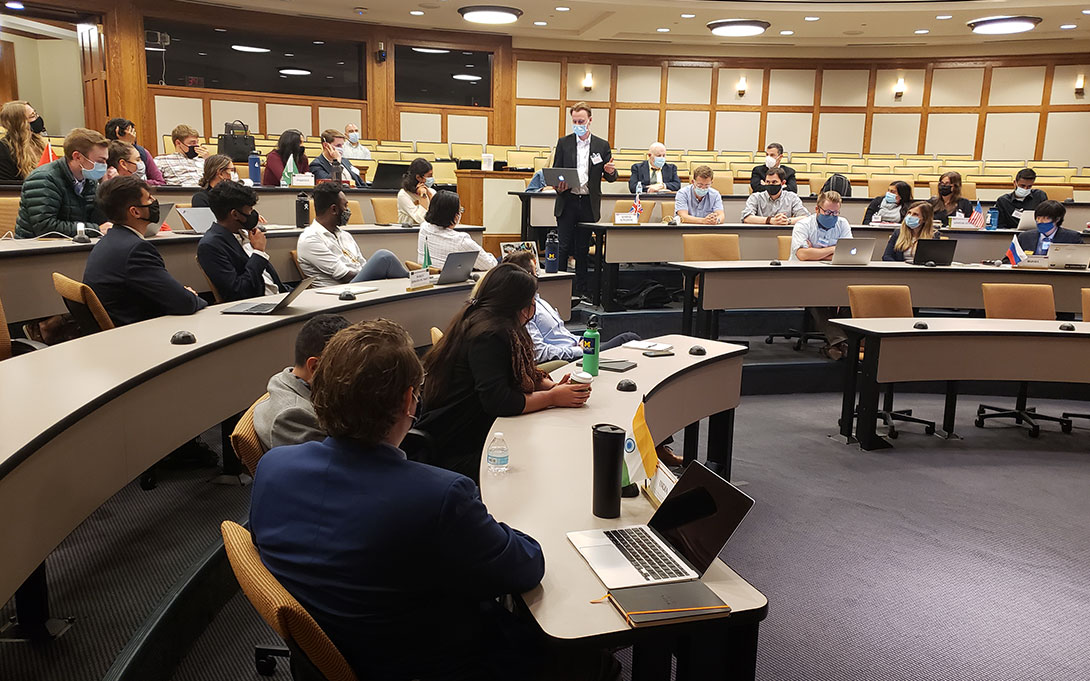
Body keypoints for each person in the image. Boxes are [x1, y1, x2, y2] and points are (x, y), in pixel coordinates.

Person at [250, 319, 545, 681]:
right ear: (409, 400)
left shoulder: (272, 468)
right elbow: (525, 567)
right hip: (433, 663)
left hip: (335, 654)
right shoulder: (438, 497)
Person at [417, 264, 592, 483]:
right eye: (530, 300)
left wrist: (553, 388)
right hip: (460, 444)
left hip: (475, 428)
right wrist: (552, 398)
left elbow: (520, 374)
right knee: (544, 465)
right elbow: (498, 401)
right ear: (516, 305)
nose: (534, 306)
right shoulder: (487, 335)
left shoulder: (492, 322)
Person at [81, 176, 207, 325]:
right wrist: (189, 296)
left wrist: (181, 295)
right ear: (135, 212)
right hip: (137, 331)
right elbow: (184, 303)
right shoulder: (136, 250)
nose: (155, 202)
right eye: (149, 199)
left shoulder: (108, 240)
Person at [503, 250, 638, 362]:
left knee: (629, 342)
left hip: (576, 348)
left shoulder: (539, 301)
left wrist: (579, 340)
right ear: (528, 277)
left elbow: (562, 334)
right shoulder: (524, 310)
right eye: (535, 273)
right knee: (628, 339)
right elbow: (539, 353)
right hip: (570, 360)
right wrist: (579, 350)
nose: (538, 277)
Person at [252, 313, 350, 451]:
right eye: (346, 366)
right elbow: (336, 467)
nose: (351, 375)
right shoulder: (292, 417)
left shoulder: (289, 380)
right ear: (315, 366)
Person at [551, 102, 618, 297]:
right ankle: (559, 288)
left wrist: (610, 171)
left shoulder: (601, 145)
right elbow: (556, 172)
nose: (578, 124)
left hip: (588, 202)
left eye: (581, 121)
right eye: (574, 121)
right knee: (563, 246)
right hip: (568, 200)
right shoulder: (564, 143)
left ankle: (580, 290)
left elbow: (611, 177)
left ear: (590, 121)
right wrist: (559, 185)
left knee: (582, 249)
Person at [297, 183, 409, 286]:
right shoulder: (310, 239)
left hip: (361, 287)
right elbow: (344, 276)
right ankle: (411, 281)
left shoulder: (345, 235)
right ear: (334, 209)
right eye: (345, 206)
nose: (348, 210)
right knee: (384, 257)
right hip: (339, 295)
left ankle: (412, 283)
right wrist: (379, 274)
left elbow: (362, 265)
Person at [197, 181, 286, 301]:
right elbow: (238, 292)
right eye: (250, 210)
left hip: (278, 297)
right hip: (255, 307)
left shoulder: (246, 234)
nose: (253, 214)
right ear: (235, 214)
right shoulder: (210, 246)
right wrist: (259, 252)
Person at [789, 190, 852, 358]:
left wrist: (815, 251)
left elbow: (847, 253)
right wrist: (833, 249)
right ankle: (840, 342)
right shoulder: (803, 225)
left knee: (853, 298)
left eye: (835, 212)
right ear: (817, 209)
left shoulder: (843, 224)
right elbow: (802, 255)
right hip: (803, 277)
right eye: (828, 212)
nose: (832, 216)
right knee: (816, 298)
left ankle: (838, 345)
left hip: (834, 277)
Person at [15, 128, 109, 239]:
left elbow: (100, 221)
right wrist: (94, 230)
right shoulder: (43, 179)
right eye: (100, 161)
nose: (104, 165)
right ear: (77, 157)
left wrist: (106, 189)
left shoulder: (90, 180)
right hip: (34, 249)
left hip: (73, 245)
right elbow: (45, 227)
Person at [417, 190, 497, 271]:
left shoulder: (424, 228)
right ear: (455, 216)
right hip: (452, 282)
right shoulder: (461, 240)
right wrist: (489, 255)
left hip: (427, 279)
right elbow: (490, 265)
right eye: (460, 210)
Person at [1005, 200, 1082, 261]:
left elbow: (1084, 260)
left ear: (1057, 219)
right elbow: (1009, 260)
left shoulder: (1072, 238)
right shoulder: (1024, 237)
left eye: (1045, 218)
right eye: (1038, 218)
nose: (1040, 222)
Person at [104, 117, 165, 185]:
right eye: (130, 133)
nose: (133, 136)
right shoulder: (104, 156)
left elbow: (160, 182)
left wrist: (137, 183)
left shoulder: (142, 152)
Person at [0, 100, 47, 184]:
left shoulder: (38, 141)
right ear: (20, 123)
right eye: (32, 116)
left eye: (35, 114)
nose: (37, 118)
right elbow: (9, 188)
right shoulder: (4, 150)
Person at [742, 166, 809, 225]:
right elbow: (746, 217)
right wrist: (770, 220)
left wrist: (787, 221)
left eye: (774, 182)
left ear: (783, 183)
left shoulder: (792, 197)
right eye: (767, 182)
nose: (770, 184)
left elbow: (806, 217)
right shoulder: (755, 197)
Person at [397, 157, 435, 224]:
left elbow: (439, 216)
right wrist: (423, 196)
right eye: (429, 176)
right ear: (418, 177)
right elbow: (420, 220)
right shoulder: (403, 194)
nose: (431, 178)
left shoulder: (432, 191)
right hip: (409, 232)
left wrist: (430, 196)